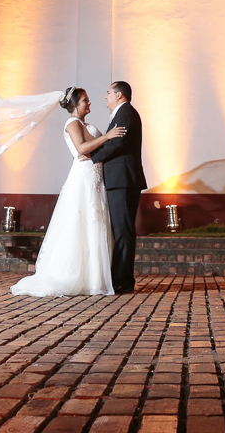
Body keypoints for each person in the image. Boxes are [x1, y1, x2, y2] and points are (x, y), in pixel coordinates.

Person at [11, 87, 126, 297]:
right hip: (82, 178)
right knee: (81, 222)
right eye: (85, 101)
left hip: (94, 178)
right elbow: (82, 148)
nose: (89, 103)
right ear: (75, 104)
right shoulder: (72, 123)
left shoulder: (85, 124)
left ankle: (94, 278)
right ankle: (73, 275)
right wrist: (108, 136)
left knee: (95, 223)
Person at [88, 81, 145, 294]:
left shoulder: (127, 114)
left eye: (108, 92)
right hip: (118, 180)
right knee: (119, 230)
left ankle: (123, 280)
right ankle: (119, 276)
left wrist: (92, 157)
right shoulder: (121, 114)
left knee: (123, 231)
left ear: (119, 95)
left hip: (124, 180)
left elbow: (118, 143)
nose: (105, 96)